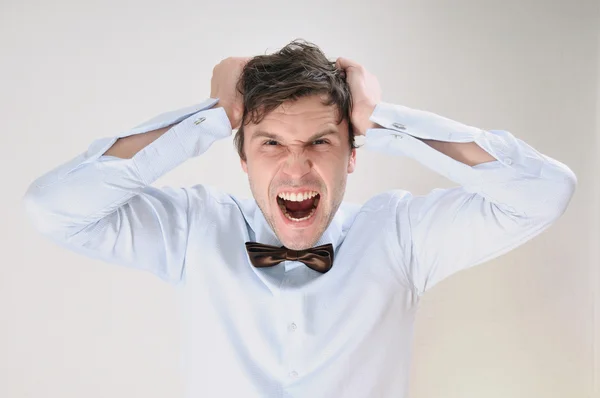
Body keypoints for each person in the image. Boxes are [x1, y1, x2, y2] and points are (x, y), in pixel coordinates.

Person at [22, 39, 577, 397]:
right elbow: (54, 207)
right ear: (240, 155)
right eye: (270, 143)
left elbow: (544, 191)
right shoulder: (194, 229)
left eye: (320, 141)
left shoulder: (400, 237)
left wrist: (380, 118)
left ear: (353, 153)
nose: (296, 166)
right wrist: (213, 116)